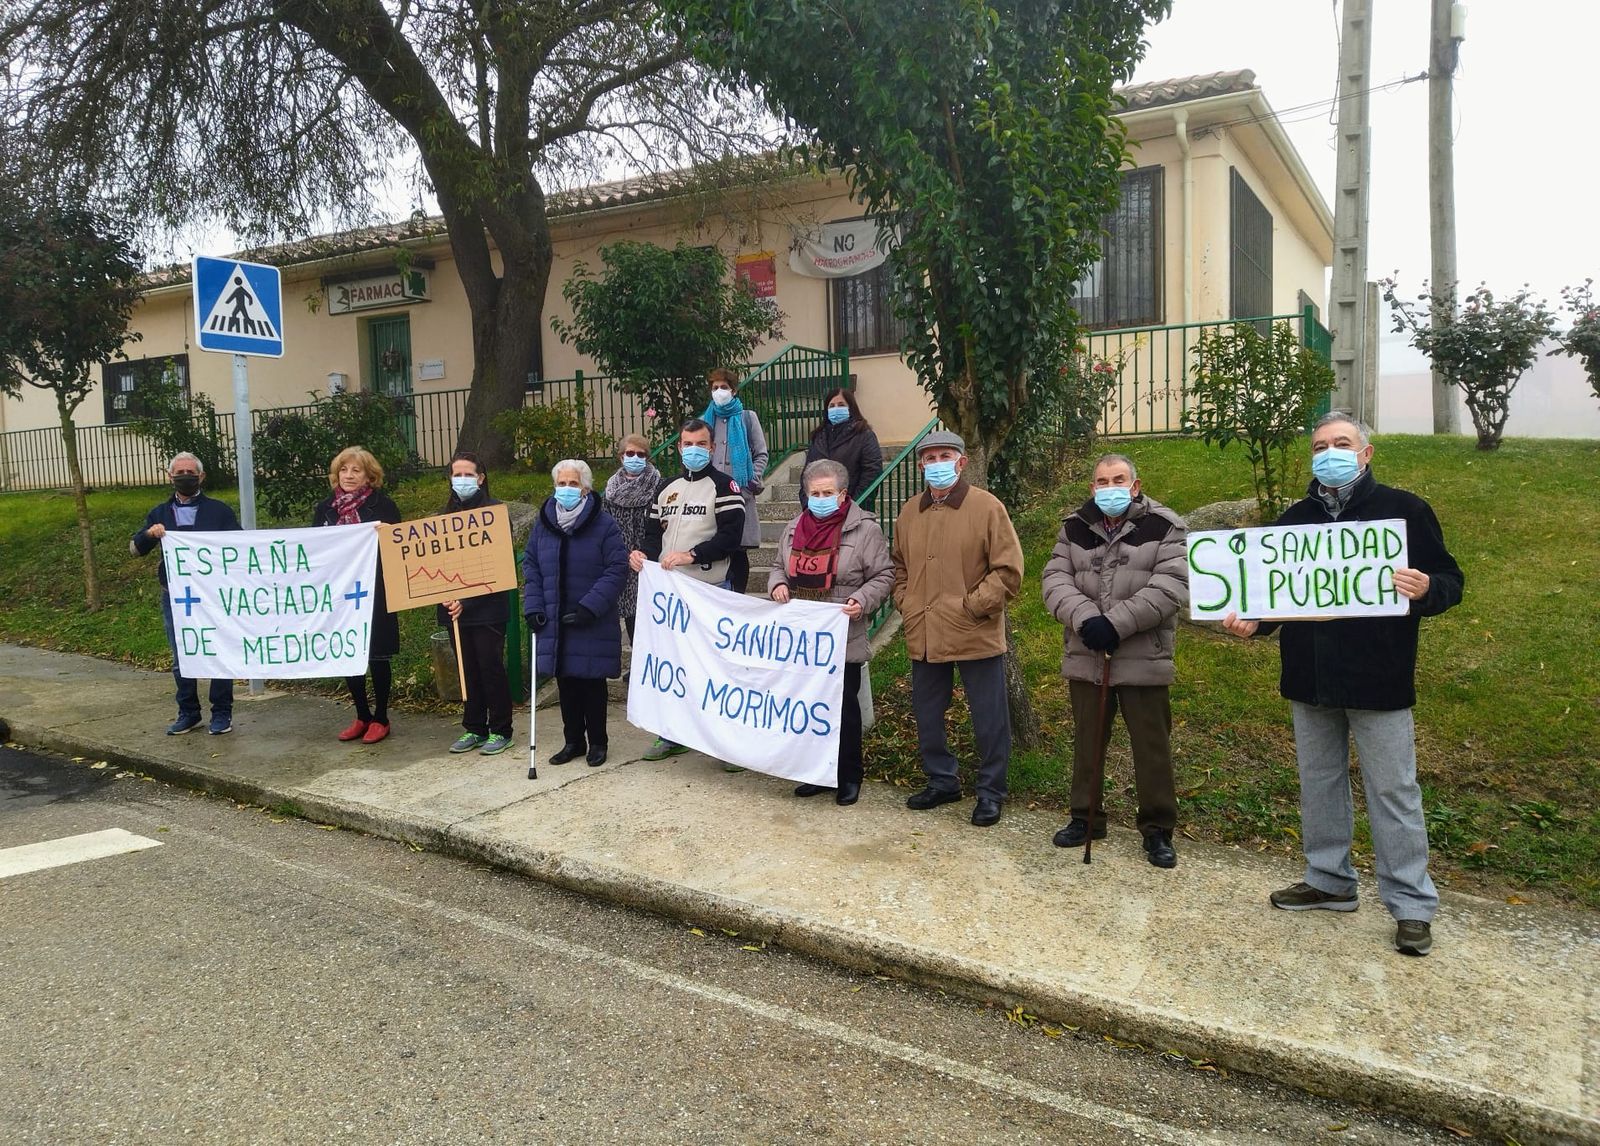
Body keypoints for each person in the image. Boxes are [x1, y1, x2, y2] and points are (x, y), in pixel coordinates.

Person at [1221, 412, 1464, 958]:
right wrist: (1252, 623)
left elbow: (1450, 581)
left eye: (1342, 443)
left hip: (1378, 680)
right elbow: (1274, 596)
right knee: (1319, 782)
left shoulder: (1404, 512)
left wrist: (1427, 588)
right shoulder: (1295, 519)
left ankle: (1411, 905)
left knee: (1394, 791)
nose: (1330, 452)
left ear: (1366, 452)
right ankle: (1328, 880)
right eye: (1320, 445)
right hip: (1310, 679)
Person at [1040, 454, 1188, 868]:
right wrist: (1087, 619)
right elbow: (1054, 579)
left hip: (1144, 657)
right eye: (1102, 481)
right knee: (1088, 742)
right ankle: (1085, 817)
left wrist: (1116, 623)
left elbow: (1171, 585)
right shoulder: (1074, 526)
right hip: (1088, 652)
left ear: (1135, 485)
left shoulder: (1166, 525)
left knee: (1151, 747)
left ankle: (1158, 829)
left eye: (1119, 479)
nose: (1110, 487)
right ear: (1093, 488)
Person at [890, 430, 1023, 826]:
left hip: (974, 630)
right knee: (927, 713)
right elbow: (899, 566)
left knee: (989, 718)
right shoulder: (909, 511)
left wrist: (972, 606)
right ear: (920, 466)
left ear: (962, 461)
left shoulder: (987, 507)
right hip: (925, 629)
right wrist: (906, 600)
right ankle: (942, 780)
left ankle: (991, 791)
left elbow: (1009, 571)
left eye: (944, 455)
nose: (937, 463)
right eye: (929, 457)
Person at [768, 458, 895, 806]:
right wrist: (778, 585)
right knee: (807, 708)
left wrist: (861, 599)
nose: (820, 498)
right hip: (804, 640)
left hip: (842, 635)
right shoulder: (795, 527)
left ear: (842, 495)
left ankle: (849, 776)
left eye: (828, 493)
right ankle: (817, 773)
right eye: (814, 493)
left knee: (843, 711)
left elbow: (884, 576)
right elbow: (779, 566)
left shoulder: (864, 530)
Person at [628, 418, 745, 761]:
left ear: (711, 447)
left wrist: (693, 555)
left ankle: (725, 746)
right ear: (679, 447)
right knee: (673, 664)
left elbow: (730, 538)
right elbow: (653, 537)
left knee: (714, 667)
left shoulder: (725, 486)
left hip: (710, 589)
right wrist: (642, 555)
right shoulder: (665, 488)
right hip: (670, 595)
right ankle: (672, 733)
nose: (694, 449)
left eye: (701, 444)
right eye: (687, 444)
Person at [523, 459, 629, 768]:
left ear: (585, 488)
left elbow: (616, 569)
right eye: (561, 483)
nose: (566, 489)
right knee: (565, 682)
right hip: (555, 620)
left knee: (591, 683)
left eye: (573, 484)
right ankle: (573, 741)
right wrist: (534, 607)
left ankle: (598, 741)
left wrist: (590, 606)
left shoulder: (604, 524)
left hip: (590, 618)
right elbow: (531, 566)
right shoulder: (544, 524)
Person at [130, 452, 241, 736]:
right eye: (179, 472)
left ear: (201, 477)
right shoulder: (160, 513)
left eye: (190, 472)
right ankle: (189, 712)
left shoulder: (219, 511)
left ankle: (221, 713)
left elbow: (241, 546)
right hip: (176, 597)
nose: (185, 476)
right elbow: (135, 549)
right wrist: (149, 535)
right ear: (170, 477)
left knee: (218, 651)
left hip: (214, 595)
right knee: (182, 654)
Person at [312, 446, 402, 744]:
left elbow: (400, 546)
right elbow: (314, 548)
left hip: (375, 591)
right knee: (349, 652)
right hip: (340, 593)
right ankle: (362, 715)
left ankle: (381, 717)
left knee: (377, 654)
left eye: (356, 470)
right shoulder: (325, 509)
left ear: (369, 476)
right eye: (344, 470)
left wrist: (386, 534)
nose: (349, 476)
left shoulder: (383, 507)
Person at [438, 452, 515, 757]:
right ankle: (473, 727)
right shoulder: (443, 516)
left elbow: (497, 566)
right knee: (467, 670)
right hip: (452, 609)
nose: (462, 480)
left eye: (468, 475)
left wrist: (467, 601)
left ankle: (500, 729)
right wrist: (445, 598)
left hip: (487, 609)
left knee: (489, 667)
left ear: (481, 478)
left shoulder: (495, 513)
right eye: (457, 475)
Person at [702, 366, 768, 594]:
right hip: (710, 498)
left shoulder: (747, 418)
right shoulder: (704, 422)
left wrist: (749, 484)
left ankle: (738, 596)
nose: (719, 391)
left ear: (734, 390)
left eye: (724, 387)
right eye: (715, 388)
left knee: (738, 551)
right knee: (714, 548)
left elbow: (761, 454)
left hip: (741, 496)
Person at [601, 433, 661, 645]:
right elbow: (604, 527)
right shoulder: (610, 491)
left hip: (653, 561)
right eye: (630, 453)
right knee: (632, 617)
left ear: (647, 458)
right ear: (621, 456)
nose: (635, 458)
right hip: (622, 561)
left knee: (654, 618)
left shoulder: (658, 486)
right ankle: (637, 664)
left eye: (641, 454)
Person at [803, 388, 883, 504]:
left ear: (851, 408)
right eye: (831, 406)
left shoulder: (864, 435)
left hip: (853, 509)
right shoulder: (818, 436)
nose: (836, 409)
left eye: (841, 405)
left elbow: (872, 472)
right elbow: (806, 474)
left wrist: (853, 504)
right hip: (819, 511)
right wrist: (807, 504)